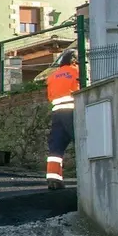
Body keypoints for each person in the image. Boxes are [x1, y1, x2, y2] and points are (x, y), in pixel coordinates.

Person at [45, 49, 79, 190]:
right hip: (72, 110)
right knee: (81, 142)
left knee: (56, 146)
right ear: (74, 60)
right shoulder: (76, 71)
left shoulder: (52, 76)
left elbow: (50, 95)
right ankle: (86, 177)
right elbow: (80, 88)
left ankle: (54, 179)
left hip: (57, 112)